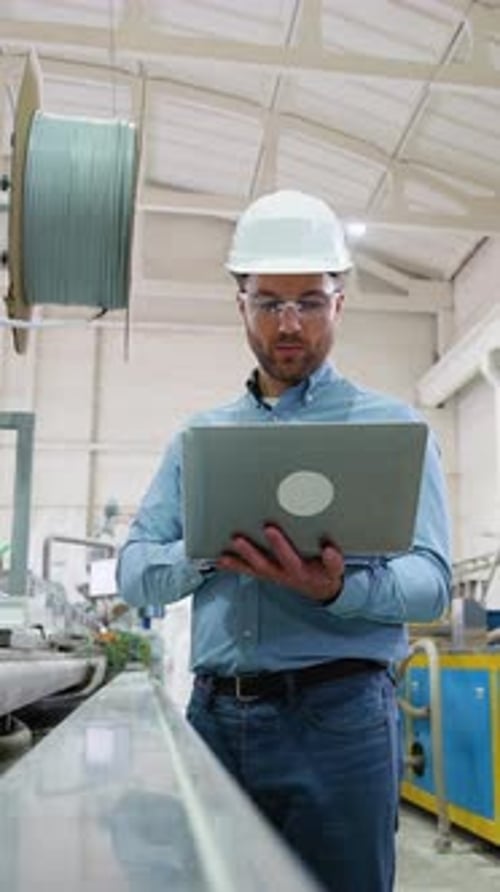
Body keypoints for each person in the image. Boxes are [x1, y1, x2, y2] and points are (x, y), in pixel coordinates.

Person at [117, 189, 451, 892]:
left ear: (340, 303)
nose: (289, 323)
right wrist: (204, 549)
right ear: (241, 304)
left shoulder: (388, 432)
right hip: (214, 716)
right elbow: (135, 570)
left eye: (309, 301)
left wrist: (338, 589)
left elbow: (430, 579)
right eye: (269, 302)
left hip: (341, 721)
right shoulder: (198, 442)